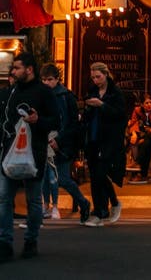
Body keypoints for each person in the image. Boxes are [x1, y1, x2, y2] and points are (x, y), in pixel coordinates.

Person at [0, 52, 59, 262]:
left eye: (16, 68)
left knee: (34, 201)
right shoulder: (10, 92)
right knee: (4, 199)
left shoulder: (44, 92)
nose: (13, 71)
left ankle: (30, 240)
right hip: (8, 154)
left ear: (29, 69)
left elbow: (55, 121)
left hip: (34, 153)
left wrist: (38, 120)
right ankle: (5, 243)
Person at [39, 63, 90, 224]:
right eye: (44, 80)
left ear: (57, 79)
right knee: (45, 177)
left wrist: (59, 140)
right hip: (47, 140)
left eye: (50, 79)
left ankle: (83, 202)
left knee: (62, 178)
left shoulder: (66, 96)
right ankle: (46, 206)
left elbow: (72, 123)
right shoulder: (43, 95)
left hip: (63, 142)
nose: (46, 83)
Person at [82, 62, 127, 227]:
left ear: (106, 74)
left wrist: (102, 105)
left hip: (108, 140)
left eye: (98, 76)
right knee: (95, 175)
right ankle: (110, 205)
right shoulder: (92, 91)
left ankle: (100, 211)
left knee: (100, 173)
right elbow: (86, 113)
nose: (95, 80)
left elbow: (120, 115)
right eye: (93, 77)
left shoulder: (115, 94)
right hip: (93, 137)